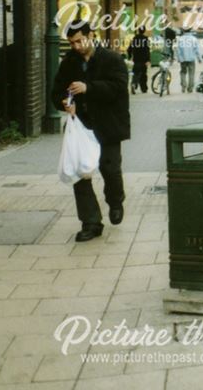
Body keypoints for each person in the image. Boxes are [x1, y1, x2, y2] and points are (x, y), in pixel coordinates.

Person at [51, 20, 130, 242]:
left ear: (91, 35)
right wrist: (65, 103)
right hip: (82, 125)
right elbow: (56, 92)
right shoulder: (69, 63)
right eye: (71, 43)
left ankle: (115, 201)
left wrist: (89, 88)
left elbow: (118, 88)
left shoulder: (112, 59)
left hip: (109, 124)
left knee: (110, 167)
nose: (76, 46)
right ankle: (91, 222)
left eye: (79, 41)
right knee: (80, 174)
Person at [126, 27, 151, 94]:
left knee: (136, 73)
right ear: (144, 31)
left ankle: (134, 84)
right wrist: (148, 59)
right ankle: (144, 88)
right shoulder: (146, 39)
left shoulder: (134, 39)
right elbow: (147, 50)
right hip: (143, 60)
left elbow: (129, 49)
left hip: (136, 59)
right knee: (143, 74)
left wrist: (130, 56)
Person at [176, 27, 200, 92]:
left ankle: (183, 86)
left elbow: (178, 50)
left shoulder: (180, 39)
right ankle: (190, 88)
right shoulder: (194, 39)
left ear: (183, 31)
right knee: (191, 73)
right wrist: (199, 58)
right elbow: (197, 50)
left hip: (183, 59)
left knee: (183, 72)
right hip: (191, 59)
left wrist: (178, 58)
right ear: (190, 31)